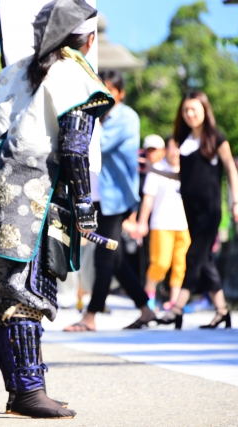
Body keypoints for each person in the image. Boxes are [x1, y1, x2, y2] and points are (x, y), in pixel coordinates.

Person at [0, 0, 114, 418]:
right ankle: (28, 392)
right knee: (23, 297)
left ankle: (19, 392)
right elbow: (74, 148)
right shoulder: (73, 73)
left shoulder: (10, 72)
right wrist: (84, 207)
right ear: (88, 39)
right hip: (33, 201)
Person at [64, 69, 156, 332]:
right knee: (113, 258)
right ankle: (146, 309)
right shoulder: (99, 114)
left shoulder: (126, 117)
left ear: (120, 93)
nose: (103, 94)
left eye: (109, 90)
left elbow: (97, 144)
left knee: (104, 256)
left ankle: (90, 317)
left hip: (115, 197)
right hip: (97, 197)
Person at [157, 91, 238, 330]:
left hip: (210, 209)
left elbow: (231, 169)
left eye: (194, 109)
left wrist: (237, 202)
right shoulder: (183, 140)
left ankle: (176, 309)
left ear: (205, 111)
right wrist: (153, 170)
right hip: (190, 209)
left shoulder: (216, 138)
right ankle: (222, 312)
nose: (190, 114)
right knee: (204, 260)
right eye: (186, 110)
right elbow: (183, 175)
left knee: (192, 256)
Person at [136, 135, 191, 310]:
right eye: (173, 147)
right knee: (160, 263)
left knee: (180, 265)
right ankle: (149, 293)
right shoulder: (158, 169)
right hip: (161, 223)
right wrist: (142, 222)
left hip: (184, 225)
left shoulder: (189, 170)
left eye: (179, 147)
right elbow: (148, 199)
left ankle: (174, 301)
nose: (176, 151)